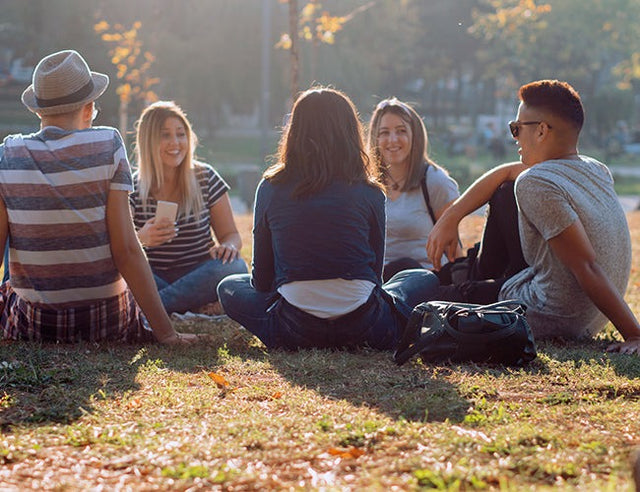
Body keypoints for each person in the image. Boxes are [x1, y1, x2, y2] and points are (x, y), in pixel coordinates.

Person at [427, 79, 640, 354]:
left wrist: (634, 334)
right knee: (504, 192)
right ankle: (471, 276)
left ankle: (467, 283)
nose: (514, 136)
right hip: (588, 316)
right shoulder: (594, 168)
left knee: (430, 298)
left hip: (553, 312)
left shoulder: (536, 183)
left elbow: (586, 266)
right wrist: (450, 217)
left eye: (516, 128)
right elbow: (505, 173)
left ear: (541, 131)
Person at [217, 87, 439, 350]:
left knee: (229, 286)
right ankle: (393, 325)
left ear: (295, 131)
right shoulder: (369, 190)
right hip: (366, 326)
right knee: (423, 279)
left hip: (293, 328)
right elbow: (374, 277)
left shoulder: (270, 186)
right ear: (350, 132)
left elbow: (262, 281)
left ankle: (283, 327)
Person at [0, 50, 197, 344]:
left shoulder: (9, 153)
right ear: (89, 108)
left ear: (38, 111)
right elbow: (127, 251)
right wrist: (166, 333)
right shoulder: (108, 144)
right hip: (106, 321)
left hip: (36, 325)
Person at [130, 101, 247, 315]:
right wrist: (141, 238)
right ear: (148, 141)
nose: (175, 142)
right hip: (153, 275)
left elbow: (231, 235)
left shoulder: (206, 177)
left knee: (235, 267)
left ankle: (154, 308)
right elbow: (122, 249)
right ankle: (190, 306)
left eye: (180, 134)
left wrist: (229, 246)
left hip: (200, 273)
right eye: (165, 135)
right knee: (123, 273)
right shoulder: (131, 187)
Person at [368, 98, 460, 282]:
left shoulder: (435, 182)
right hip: (380, 283)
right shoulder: (368, 185)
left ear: (415, 136)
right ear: (375, 139)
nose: (392, 140)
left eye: (401, 131)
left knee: (405, 267)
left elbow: (454, 254)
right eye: (384, 133)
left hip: (425, 283)